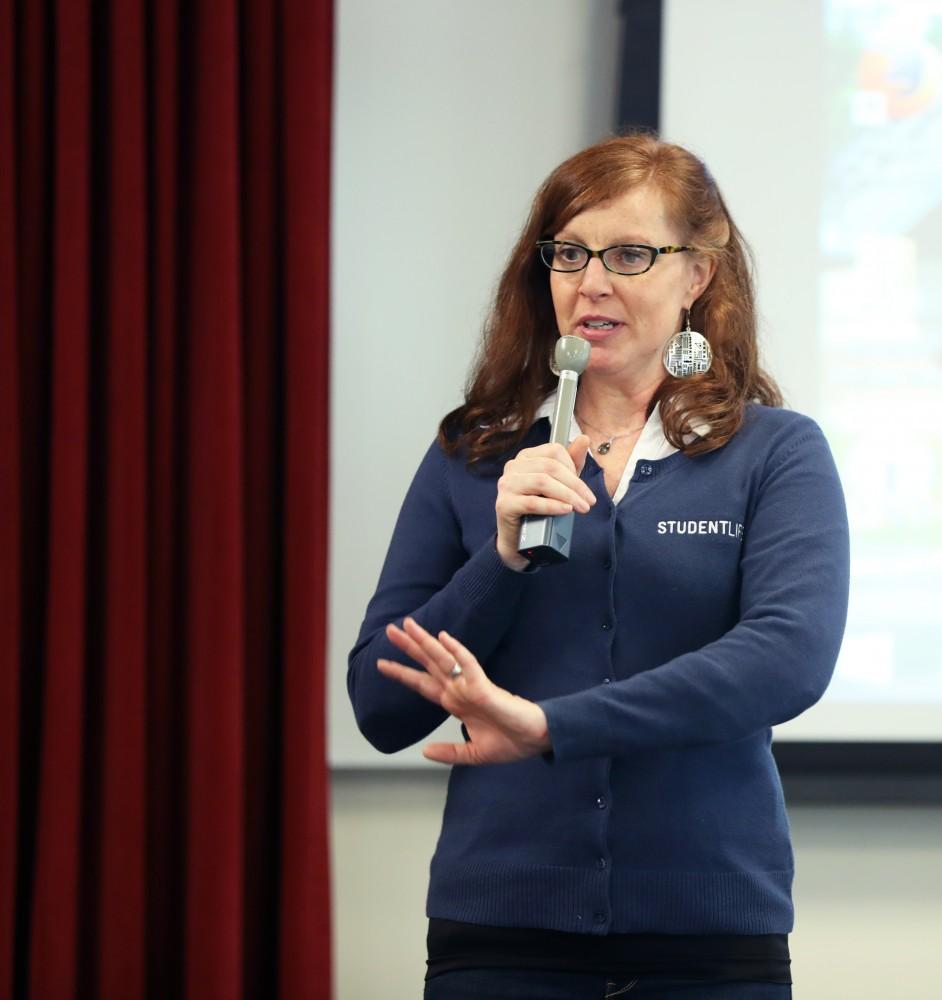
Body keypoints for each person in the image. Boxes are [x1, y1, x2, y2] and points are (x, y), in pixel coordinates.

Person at [347, 133, 849, 999]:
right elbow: (382, 702)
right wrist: (500, 560)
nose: (591, 283)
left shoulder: (774, 453)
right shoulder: (474, 455)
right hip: (500, 936)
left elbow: (787, 660)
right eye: (569, 253)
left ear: (698, 275)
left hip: (707, 937)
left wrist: (552, 727)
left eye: (629, 254)